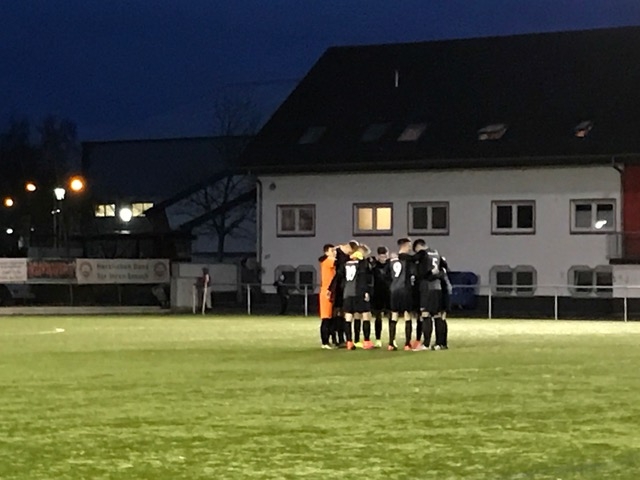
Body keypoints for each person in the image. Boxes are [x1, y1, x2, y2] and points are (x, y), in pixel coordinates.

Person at [412, 239, 444, 351]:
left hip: (427, 287)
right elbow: (444, 269)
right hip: (437, 287)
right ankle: (440, 343)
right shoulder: (436, 253)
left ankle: (426, 344)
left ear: (418, 247)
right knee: (437, 315)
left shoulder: (423, 254)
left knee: (425, 314)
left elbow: (421, 272)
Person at [342, 244, 373, 350]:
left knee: (348, 317)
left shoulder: (346, 263)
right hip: (358, 292)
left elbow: (341, 277)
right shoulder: (362, 264)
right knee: (366, 315)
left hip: (347, 292)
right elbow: (364, 278)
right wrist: (366, 292)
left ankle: (349, 342)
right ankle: (366, 341)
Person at [329, 241, 358, 346]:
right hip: (337, 287)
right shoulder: (336, 252)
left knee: (342, 313)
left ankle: (342, 338)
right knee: (336, 313)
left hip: (344, 287)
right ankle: (334, 337)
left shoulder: (347, 256)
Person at [388, 238, 416, 351]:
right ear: (404, 245)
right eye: (409, 245)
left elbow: (387, 276)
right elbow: (413, 274)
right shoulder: (408, 260)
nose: (410, 247)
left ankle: (391, 343)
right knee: (407, 315)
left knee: (394, 315)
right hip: (405, 290)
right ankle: (407, 344)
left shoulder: (392, 260)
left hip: (394, 290)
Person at [370, 246, 391, 348]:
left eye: (385, 256)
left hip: (389, 293)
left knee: (392, 316)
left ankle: (392, 339)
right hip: (377, 294)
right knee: (378, 317)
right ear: (378, 256)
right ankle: (378, 339)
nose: (383, 258)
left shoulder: (390, 264)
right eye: (382, 256)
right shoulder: (374, 265)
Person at [318, 244, 337, 349]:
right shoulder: (328, 261)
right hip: (326, 292)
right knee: (326, 318)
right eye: (332, 250)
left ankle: (329, 340)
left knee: (330, 318)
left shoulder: (327, 261)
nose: (334, 252)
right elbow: (338, 263)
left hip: (330, 291)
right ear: (326, 252)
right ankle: (324, 342)